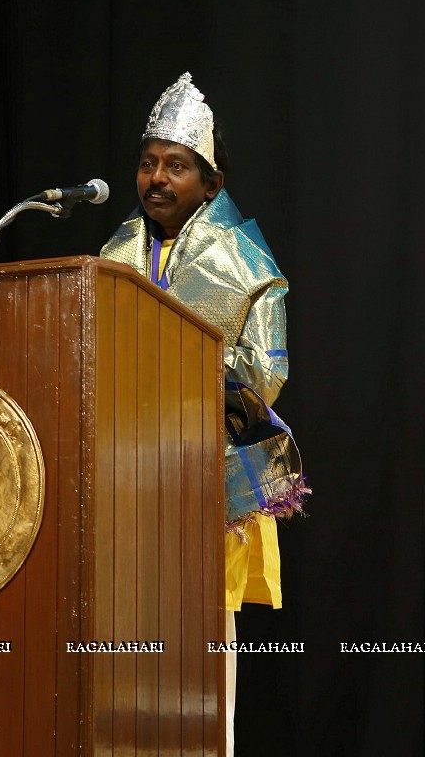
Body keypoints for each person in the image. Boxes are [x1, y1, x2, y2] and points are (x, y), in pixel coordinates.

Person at [100, 73, 305, 755]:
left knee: (198, 654)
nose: (156, 178)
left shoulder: (246, 262)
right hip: (118, 479)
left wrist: (178, 380)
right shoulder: (109, 258)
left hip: (204, 478)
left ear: (210, 184)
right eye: (148, 162)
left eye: (176, 166)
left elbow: (266, 374)